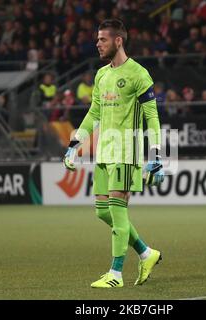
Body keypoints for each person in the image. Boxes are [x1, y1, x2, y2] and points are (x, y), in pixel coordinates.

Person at [62, 19, 164, 289]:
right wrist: (75, 144)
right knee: (102, 212)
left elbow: (152, 116)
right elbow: (93, 114)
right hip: (103, 153)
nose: (97, 43)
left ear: (118, 41)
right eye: (97, 39)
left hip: (126, 151)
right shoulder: (101, 75)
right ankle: (145, 252)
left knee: (118, 211)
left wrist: (156, 156)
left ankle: (115, 274)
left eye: (102, 40)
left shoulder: (138, 74)